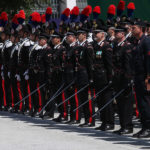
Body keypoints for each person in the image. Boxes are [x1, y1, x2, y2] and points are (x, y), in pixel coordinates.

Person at [92, 26, 114, 131]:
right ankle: (104, 121)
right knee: (100, 101)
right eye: (95, 33)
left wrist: (110, 78)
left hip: (105, 78)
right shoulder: (97, 46)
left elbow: (109, 64)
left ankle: (110, 122)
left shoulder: (106, 46)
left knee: (107, 101)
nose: (95, 34)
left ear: (103, 35)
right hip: (98, 78)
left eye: (97, 33)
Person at [113, 26, 134, 135]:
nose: (116, 34)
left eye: (118, 32)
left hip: (125, 78)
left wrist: (129, 79)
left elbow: (129, 65)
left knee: (127, 104)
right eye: (115, 32)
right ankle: (123, 126)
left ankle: (128, 126)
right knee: (120, 104)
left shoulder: (127, 46)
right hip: (118, 78)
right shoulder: (117, 46)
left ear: (123, 34)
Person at [132, 21, 150, 138]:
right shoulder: (137, 42)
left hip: (145, 77)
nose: (132, 29)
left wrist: (148, 77)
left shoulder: (146, 41)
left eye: (134, 28)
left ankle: (148, 128)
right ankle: (144, 127)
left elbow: (148, 60)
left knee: (145, 103)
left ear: (141, 29)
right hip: (138, 76)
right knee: (141, 103)